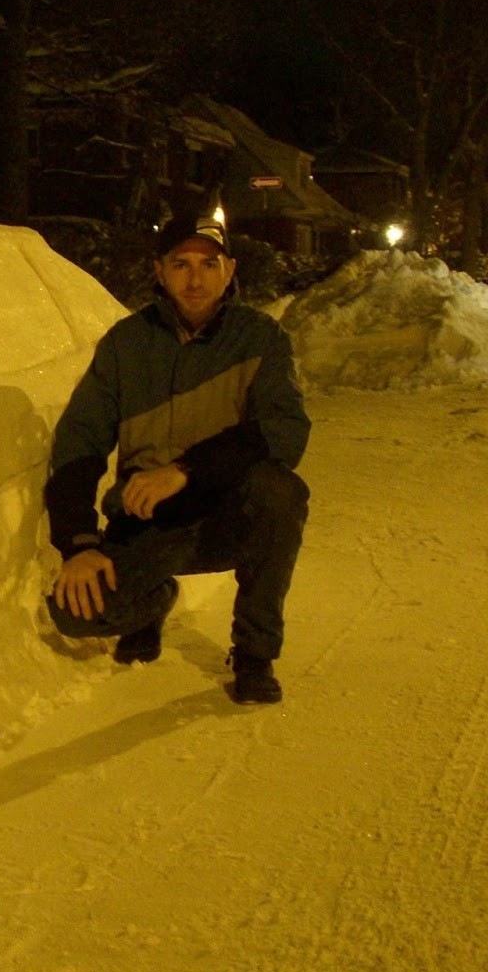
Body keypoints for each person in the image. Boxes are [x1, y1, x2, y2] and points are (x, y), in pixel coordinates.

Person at [42, 211, 310, 704]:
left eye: (209, 264)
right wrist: (79, 543)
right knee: (74, 613)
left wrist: (185, 471)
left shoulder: (260, 339)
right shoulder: (127, 344)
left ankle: (254, 654)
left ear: (229, 271)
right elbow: (79, 442)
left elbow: (284, 432)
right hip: (148, 524)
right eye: (181, 264)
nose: (195, 278)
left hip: (226, 517)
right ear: (160, 271)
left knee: (282, 494)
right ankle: (152, 602)